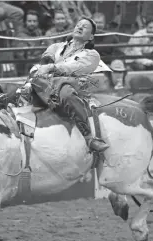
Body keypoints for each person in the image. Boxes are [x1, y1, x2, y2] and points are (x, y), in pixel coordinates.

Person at [30, 18, 109, 152]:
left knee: (67, 93)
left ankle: (88, 138)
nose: (79, 27)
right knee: (28, 83)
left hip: (71, 85)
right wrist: (42, 68)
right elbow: (43, 64)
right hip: (47, 83)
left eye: (84, 27)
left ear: (91, 37)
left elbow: (74, 68)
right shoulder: (55, 47)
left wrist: (51, 68)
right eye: (78, 25)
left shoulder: (92, 55)